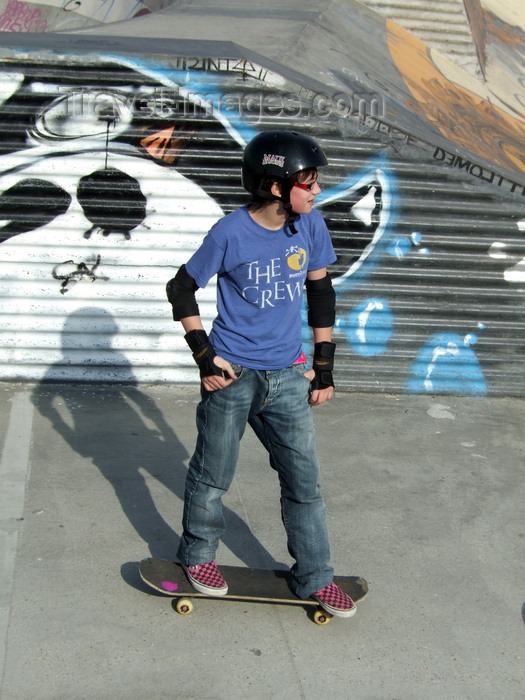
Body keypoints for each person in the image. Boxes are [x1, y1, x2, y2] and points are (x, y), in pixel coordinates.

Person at [166, 130, 356, 618]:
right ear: (276, 187)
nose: (317, 192)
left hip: (288, 377)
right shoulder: (229, 233)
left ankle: (315, 576)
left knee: (304, 482)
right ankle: (198, 558)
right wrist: (204, 355)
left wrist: (324, 364)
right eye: (308, 183)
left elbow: (321, 293)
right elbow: (181, 287)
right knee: (212, 477)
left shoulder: (310, 227)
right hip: (234, 375)